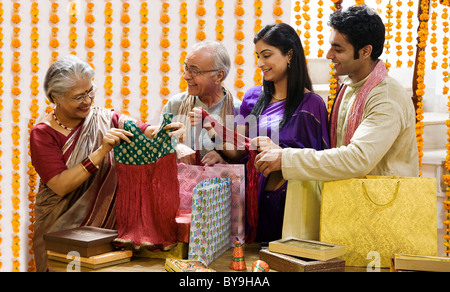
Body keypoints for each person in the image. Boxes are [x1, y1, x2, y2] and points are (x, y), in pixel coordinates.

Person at [30, 55, 185, 272]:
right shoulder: (43, 134)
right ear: (55, 97)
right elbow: (60, 185)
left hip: (106, 232)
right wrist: (101, 152)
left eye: (90, 91)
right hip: (60, 229)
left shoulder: (103, 118)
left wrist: (165, 130)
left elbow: (144, 130)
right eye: (78, 96)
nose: (87, 101)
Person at [193, 23, 330, 243]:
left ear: (289, 55)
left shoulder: (311, 106)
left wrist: (280, 152)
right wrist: (212, 128)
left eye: (266, 55)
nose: (260, 63)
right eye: (258, 56)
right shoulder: (252, 98)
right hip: (253, 200)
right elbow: (238, 152)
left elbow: (320, 161)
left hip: (291, 202)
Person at [254, 5, 419, 183]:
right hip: (354, 200)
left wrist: (285, 159)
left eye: (338, 49)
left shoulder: (386, 98)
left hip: (385, 204)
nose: (328, 55)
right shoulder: (349, 87)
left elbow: (358, 159)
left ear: (365, 51)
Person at [162, 40, 241, 166]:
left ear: (218, 76)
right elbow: (158, 149)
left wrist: (224, 160)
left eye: (194, 71)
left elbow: (243, 158)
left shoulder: (238, 110)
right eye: (186, 68)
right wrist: (176, 148)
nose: (186, 76)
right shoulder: (175, 105)